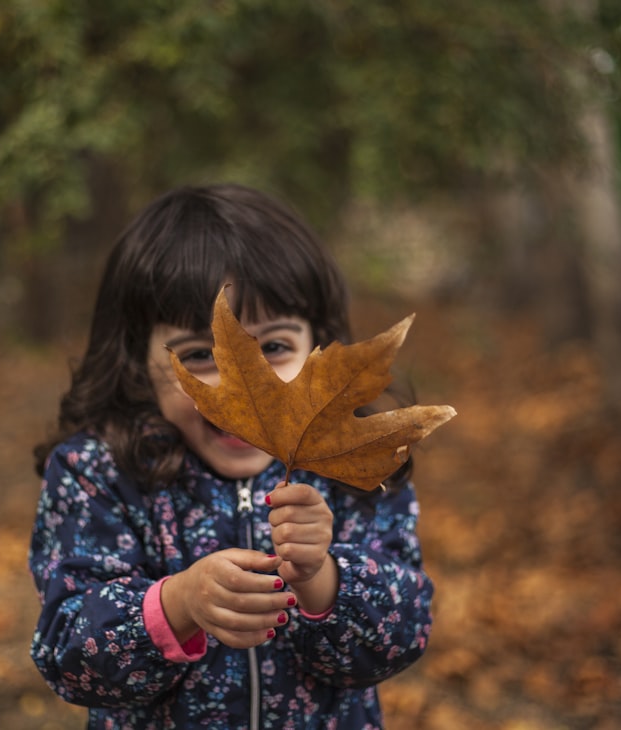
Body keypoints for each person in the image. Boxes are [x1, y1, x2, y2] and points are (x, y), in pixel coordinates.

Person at [28, 183, 433, 729]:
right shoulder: (99, 474)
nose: (249, 384)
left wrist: (321, 578)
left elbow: (403, 634)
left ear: (322, 348)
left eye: (275, 346)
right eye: (199, 354)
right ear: (135, 361)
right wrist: (180, 605)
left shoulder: (354, 469)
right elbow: (67, 656)